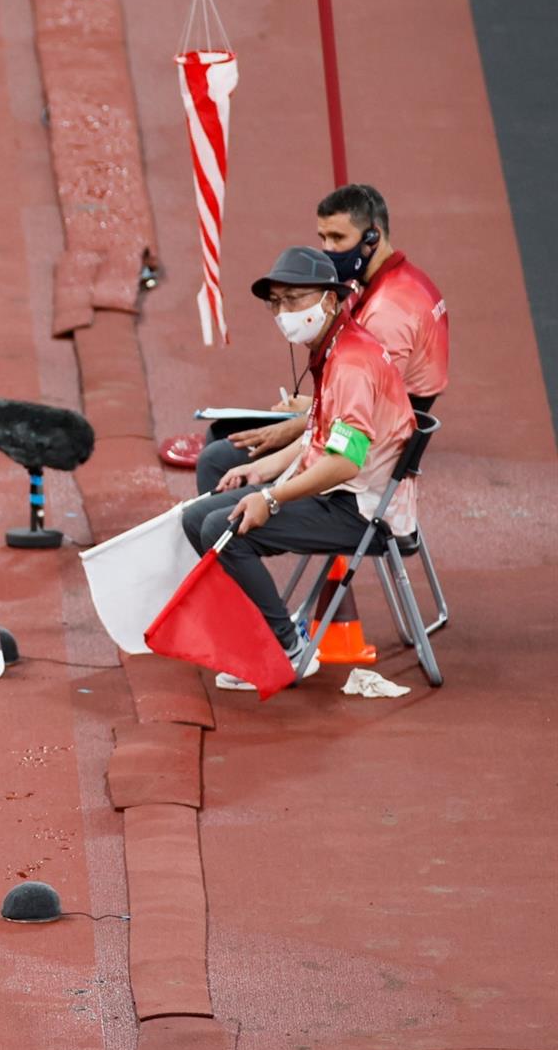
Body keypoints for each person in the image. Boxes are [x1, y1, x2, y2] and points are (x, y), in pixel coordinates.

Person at [180, 247, 416, 691]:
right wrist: (263, 470)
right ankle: (258, 633)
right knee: (197, 518)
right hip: (340, 493)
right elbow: (322, 434)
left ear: (330, 299)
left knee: (220, 528)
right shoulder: (334, 346)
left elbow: (345, 462)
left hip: (363, 512)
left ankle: (285, 648)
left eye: (294, 299)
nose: (284, 312)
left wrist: (271, 496)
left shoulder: (350, 363)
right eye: (277, 302)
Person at [198, 184, 448, 494]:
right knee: (225, 434)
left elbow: (369, 405)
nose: (328, 249)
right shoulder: (391, 281)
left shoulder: (388, 313)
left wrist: (288, 430)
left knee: (218, 455)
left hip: (374, 445)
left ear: (372, 237)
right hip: (360, 410)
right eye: (323, 237)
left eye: (338, 238)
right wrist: (312, 405)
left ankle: (237, 534)